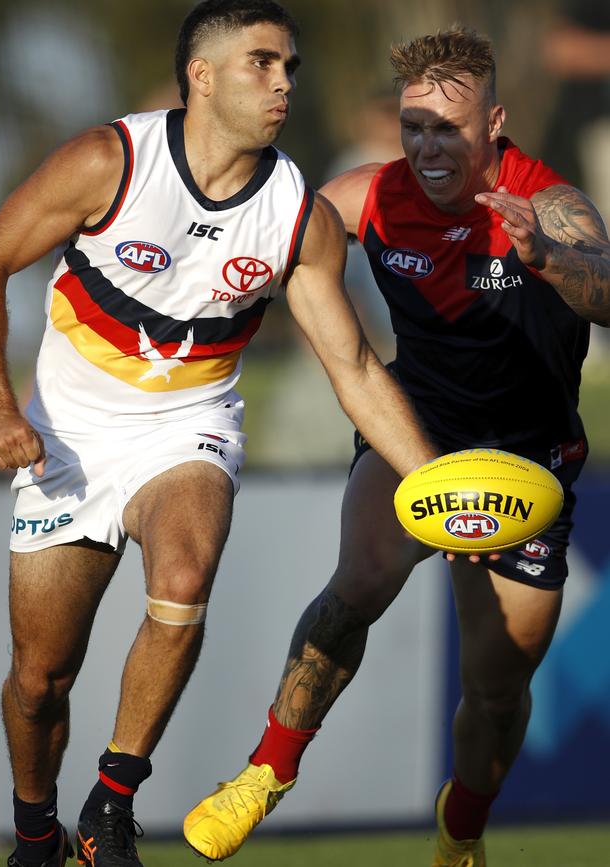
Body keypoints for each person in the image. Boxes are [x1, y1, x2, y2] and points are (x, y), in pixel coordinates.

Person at [0, 2, 439, 866]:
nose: (285, 82)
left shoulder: (299, 213)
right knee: (39, 684)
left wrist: (437, 489)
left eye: (290, 65)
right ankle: (36, 830)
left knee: (183, 573)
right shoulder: (111, 161)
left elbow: (358, 371)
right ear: (202, 76)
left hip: (190, 426)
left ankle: (112, 803)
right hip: (68, 436)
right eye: (263, 63)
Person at [182, 26, 610, 867]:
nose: (426, 146)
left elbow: (606, 282)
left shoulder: (546, 202)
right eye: (414, 127)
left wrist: (548, 257)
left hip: (527, 466)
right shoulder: (371, 195)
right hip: (414, 430)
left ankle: (462, 830)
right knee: (357, 586)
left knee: (496, 690)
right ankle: (267, 771)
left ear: (494, 124)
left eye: (447, 128)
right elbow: (269, 233)